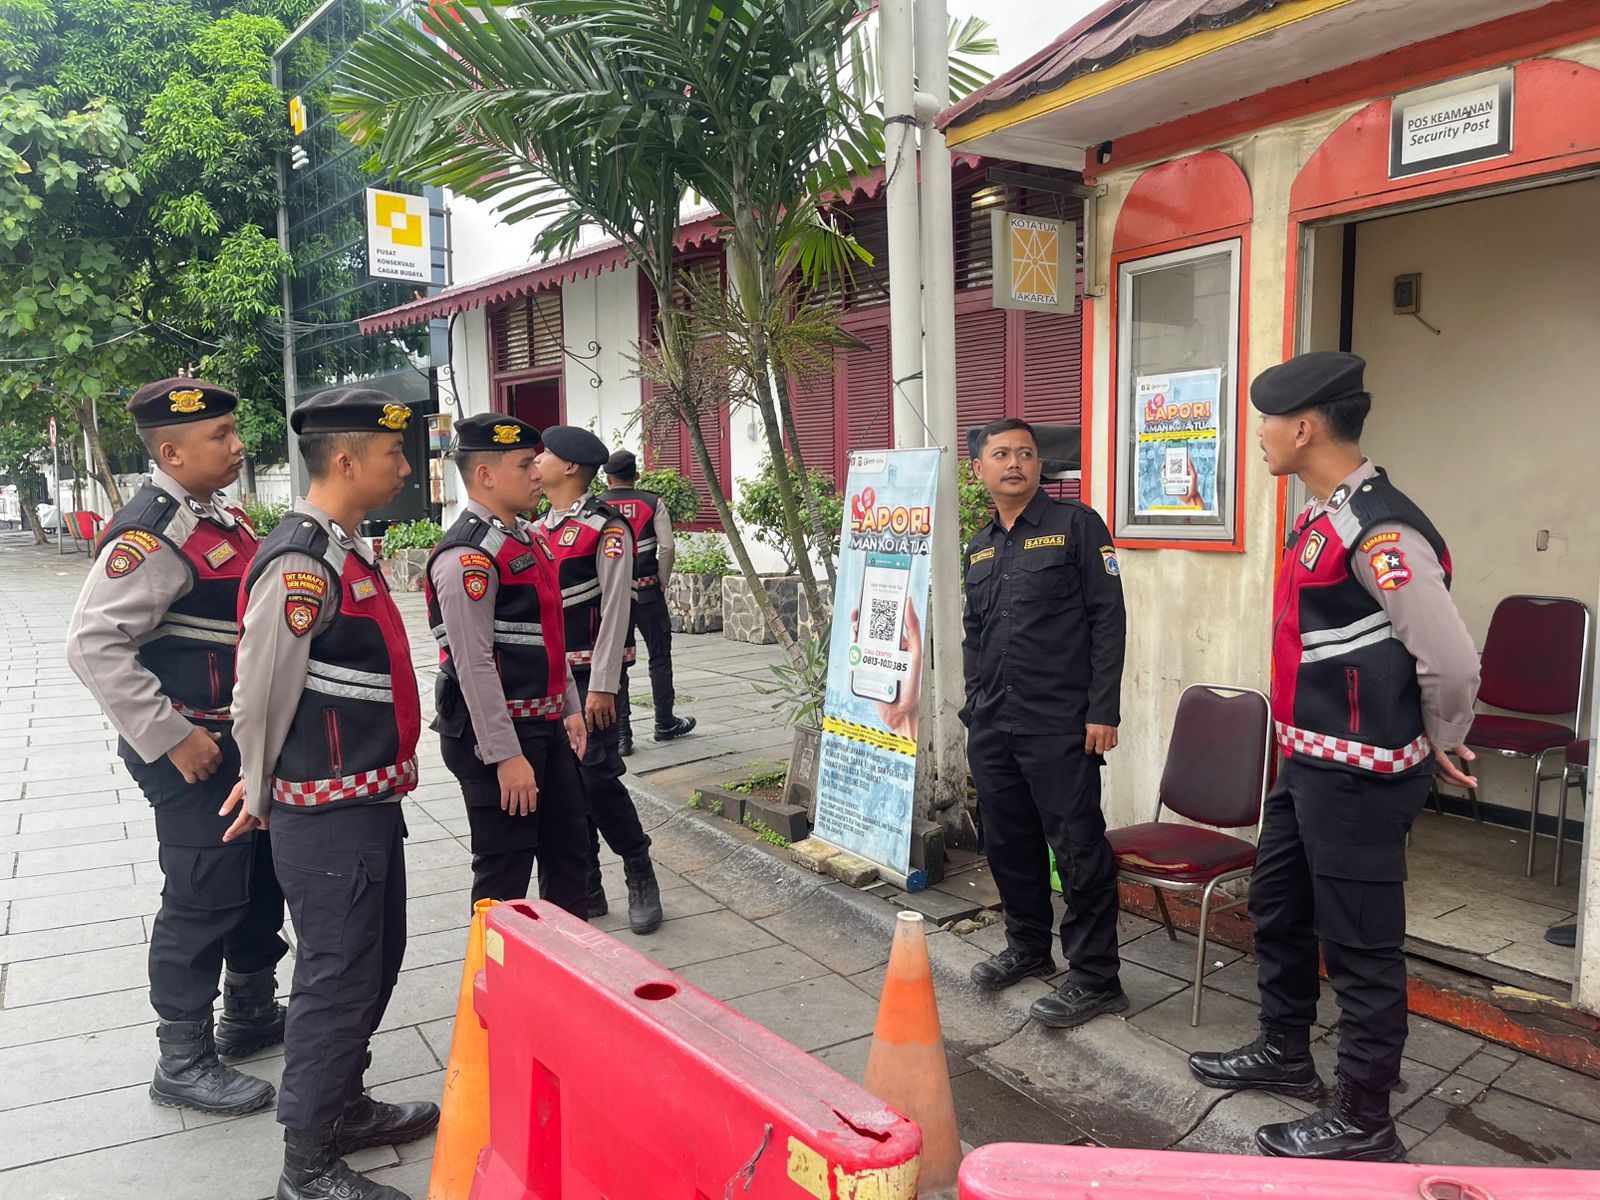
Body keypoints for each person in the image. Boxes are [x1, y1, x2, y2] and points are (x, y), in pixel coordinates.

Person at [1188, 351, 1480, 1162]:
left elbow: (1451, 660)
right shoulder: (1326, 515)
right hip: (1308, 762)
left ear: (1306, 429)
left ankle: (1363, 1117)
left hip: (1359, 777)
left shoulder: (1379, 530)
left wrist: (1442, 735)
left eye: (1268, 423)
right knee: (1279, 906)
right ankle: (1286, 1051)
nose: (1260, 435)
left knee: (1360, 946)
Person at [221, 388, 438, 1200]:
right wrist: (257, 787)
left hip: (365, 804)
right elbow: (259, 693)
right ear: (345, 460)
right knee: (337, 977)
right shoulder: (302, 562)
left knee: (374, 963)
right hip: (326, 815)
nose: (406, 467)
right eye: (393, 454)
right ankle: (306, 1164)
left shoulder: (342, 549)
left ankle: (344, 1106)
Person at [66, 378, 287, 1116]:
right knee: (202, 894)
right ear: (172, 453)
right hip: (194, 750)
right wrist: (172, 738)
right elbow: (92, 644)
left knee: (256, 877)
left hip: (237, 743)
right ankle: (182, 1058)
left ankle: (250, 1013)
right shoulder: (153, 534)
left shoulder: (216, 514)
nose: (237, 446)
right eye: (221, 436)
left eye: (232, 430)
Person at [961, 417, 1129, 1029]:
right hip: (994, 725)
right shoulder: (980, 546)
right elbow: (974, 634)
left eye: (1026, 454)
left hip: (1060, 724)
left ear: (1039, 466)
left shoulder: (1076, 526)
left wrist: (1102, 710)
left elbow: (1109, 619)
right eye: (1001, 454)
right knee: (1008, 843)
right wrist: (973, 704)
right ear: (978, 469)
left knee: (1078, 850)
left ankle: (1096, 977)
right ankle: (1028, 947)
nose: (1015, 463)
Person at [425, 412, 590, 911]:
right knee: (504, 881)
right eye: (525, 465)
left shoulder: (526, 536)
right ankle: (493, 966)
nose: (539, 474)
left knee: (571, 861)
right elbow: (472, 663)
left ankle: (562, 961)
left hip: (544, 724)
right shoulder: (468, 556)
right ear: (486, 475)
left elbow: (550, 634)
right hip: (496, 736)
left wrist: (569, 706)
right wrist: (504, 756)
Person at [535, 426, 664, 934]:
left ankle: (638, 868)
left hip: (592, 677)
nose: (536, 462)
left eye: (545, 455)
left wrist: (604, 683)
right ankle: (586, 882)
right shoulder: (537, 528)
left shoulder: (605, 528)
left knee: (597, 776)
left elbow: (616, 608)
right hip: (551, 681)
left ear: (570, 467)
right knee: (565, 783)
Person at [600, 449, 696, 756]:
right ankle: (664, 722)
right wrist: (662, 580)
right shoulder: (652, 502)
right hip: (647, 592)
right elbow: (666, 547)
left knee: (616, 662)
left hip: (612, 597)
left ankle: (622, 735)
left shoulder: (597, 505)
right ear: (637, 475)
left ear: (608, 478)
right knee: (659, 656)